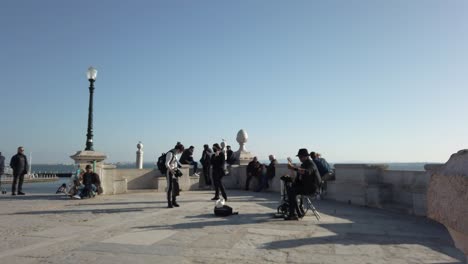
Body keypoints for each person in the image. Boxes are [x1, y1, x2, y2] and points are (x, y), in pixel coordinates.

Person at [285, 148, 322, 220]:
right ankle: (298, 212)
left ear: (306, 156)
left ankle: (293, 214)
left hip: (312, 189)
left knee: (292, 191)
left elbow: (307, 172)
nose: (300, 158)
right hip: (307, 186)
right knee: (291, 189)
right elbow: (300, 175)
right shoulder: (304, 164)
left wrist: (293, 168)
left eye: (301, 157)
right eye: (299, 157)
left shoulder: (311, 164)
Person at [165, 143, 185, 208]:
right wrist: (171, 170)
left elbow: (176, 163)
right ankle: (169, 203)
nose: (181, 152)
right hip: (170, 172)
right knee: (170, 187)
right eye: (181, 151)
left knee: (175, 187)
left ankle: (174, 201)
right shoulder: (170, 153)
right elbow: (167, 164)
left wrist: (177, 170)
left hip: (175, 171)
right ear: (178, 149)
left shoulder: (175, 154)